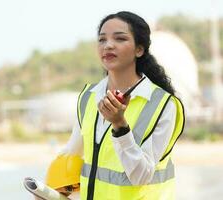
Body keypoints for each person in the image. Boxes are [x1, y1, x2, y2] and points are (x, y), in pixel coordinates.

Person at [46, 11, 185, 200]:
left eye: (120, 39)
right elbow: (72, 153)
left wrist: (120, 126)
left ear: (139, 49)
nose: (108, 45)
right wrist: (49, 192)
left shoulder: (163, 104)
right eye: (102, 40)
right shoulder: (89, 97)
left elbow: (141, 176)